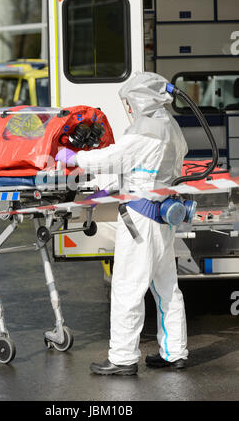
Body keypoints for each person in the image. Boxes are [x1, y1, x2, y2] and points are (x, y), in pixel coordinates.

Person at [55, 72, 189, 375]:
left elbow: (112, 158)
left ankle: (123, 358)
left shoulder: (145, 131)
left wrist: (75, 158)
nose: (128, 107)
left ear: (141, 99)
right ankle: (174, 351)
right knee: (166, 286)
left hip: (140, 218)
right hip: (164, 214)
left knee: (128, 287)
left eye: (129, 101)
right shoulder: (170, 126)